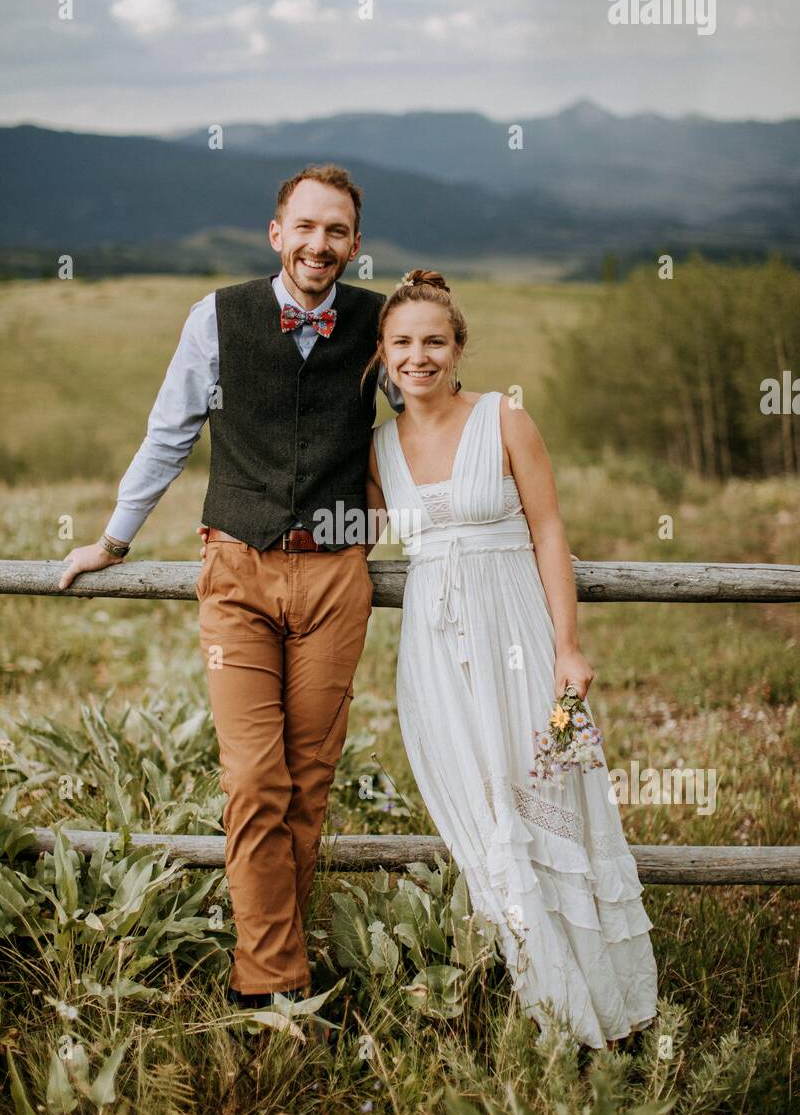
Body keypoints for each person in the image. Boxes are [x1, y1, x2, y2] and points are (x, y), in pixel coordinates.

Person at [58, 164, 403, 1009]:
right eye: (306, 227)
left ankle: (282, 966)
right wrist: (113, 537)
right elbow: (167, 434)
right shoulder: (215, 318)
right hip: (236, 574)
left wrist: (461, 510)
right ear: (276, 232)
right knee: (255, 781)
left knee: (308, 784)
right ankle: (271, 987)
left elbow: (426, 420)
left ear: (355, 246)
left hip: (334, 577)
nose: (320, 245)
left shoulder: (378, 324)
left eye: (338, 232)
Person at [365, 269, 659, 1051]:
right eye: (403, 343)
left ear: (459, 350)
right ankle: (546, 1003)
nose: (418, 356)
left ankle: (607, 1014)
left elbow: (550, 532)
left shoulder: (504, 419)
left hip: (521, 642)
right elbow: (348, 535)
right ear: (384, 356)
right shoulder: (378, 448)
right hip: (435, 655)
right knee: (483, 813)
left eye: (434, 341)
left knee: (549, 801)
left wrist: (568, 645)